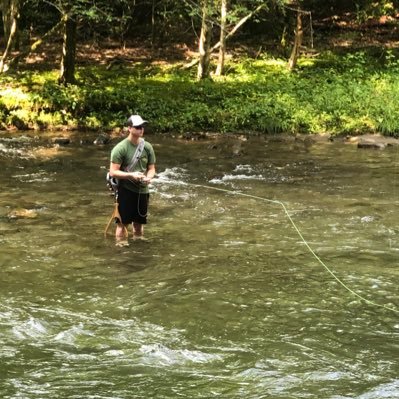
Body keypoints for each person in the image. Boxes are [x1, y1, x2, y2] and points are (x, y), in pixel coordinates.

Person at [109, 114, 156, 239]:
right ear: (129, 128)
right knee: (122, 224)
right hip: (126, 190)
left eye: (142, 127)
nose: (141, 129)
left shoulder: (147, 147)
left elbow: (151, 169)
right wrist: (131, 175)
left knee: (139, 224)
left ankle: (138, 248)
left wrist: (149, 178)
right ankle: (120, 249)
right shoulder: (120, 148)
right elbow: (113, 172)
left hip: (143, 191)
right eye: (138, 127)